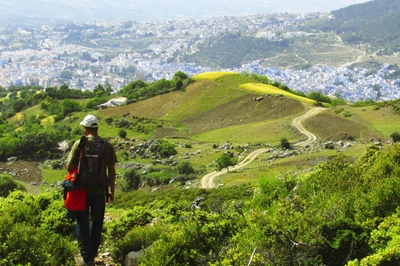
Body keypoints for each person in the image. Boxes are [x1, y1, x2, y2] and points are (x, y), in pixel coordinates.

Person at [66, 114, 117, 266]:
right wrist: (111, 191)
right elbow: (112, 170)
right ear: (96, 128)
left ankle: (87, 258)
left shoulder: (80, 144)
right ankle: (93, 253)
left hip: (81, 191)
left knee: (82, 223)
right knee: (97, 223)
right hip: (100, 192)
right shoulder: (107, 145)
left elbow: (69, 167)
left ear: (85, 128)